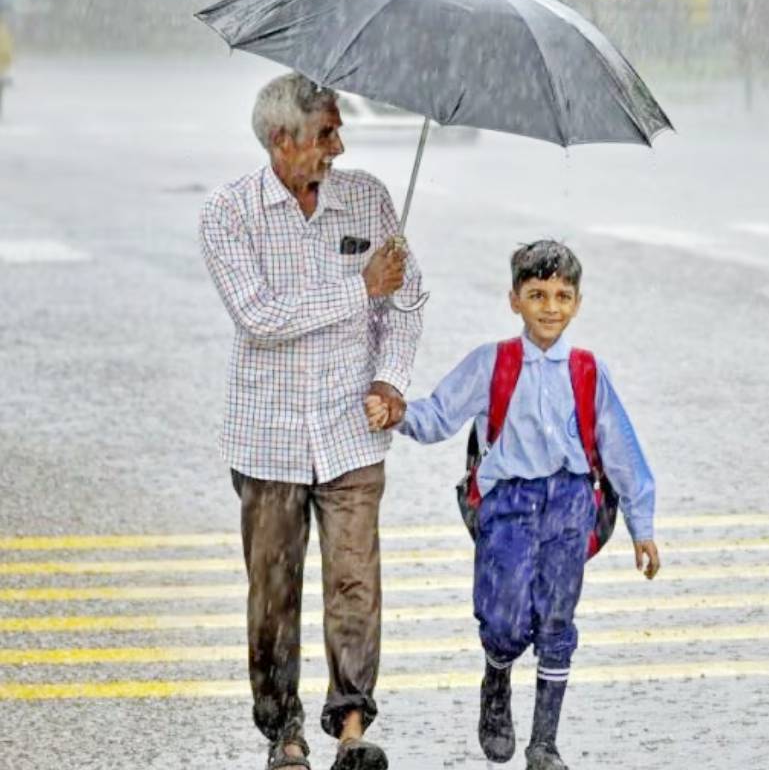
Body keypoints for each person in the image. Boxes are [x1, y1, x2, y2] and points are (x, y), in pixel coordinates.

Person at [365, 240, 660, 770]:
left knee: (556, 620)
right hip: (507, 506)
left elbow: (621, 451)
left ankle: (544, 743)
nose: (551, 307)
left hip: (571, 504)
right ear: (514, 300)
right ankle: (496, 675)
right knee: (503, 619)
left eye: (563, 296)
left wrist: (643, 526)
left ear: (578, 303)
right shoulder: (492, 363)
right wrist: (396, 412)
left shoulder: (589, 372)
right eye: (537, 294)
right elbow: (438, 415)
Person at [199, 72, 423, 770]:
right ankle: (284, 730)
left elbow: (407, 305)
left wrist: (390, 378)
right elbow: (261, 318)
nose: (339, 144)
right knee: (273, 591)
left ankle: (353, 724)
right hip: (267, 438)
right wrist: (357, 287)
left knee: (356, 582)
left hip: (352, 431)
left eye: (337, 129)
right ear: (281, 140)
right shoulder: (229, 214)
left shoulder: (369, 198)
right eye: (326, 132)